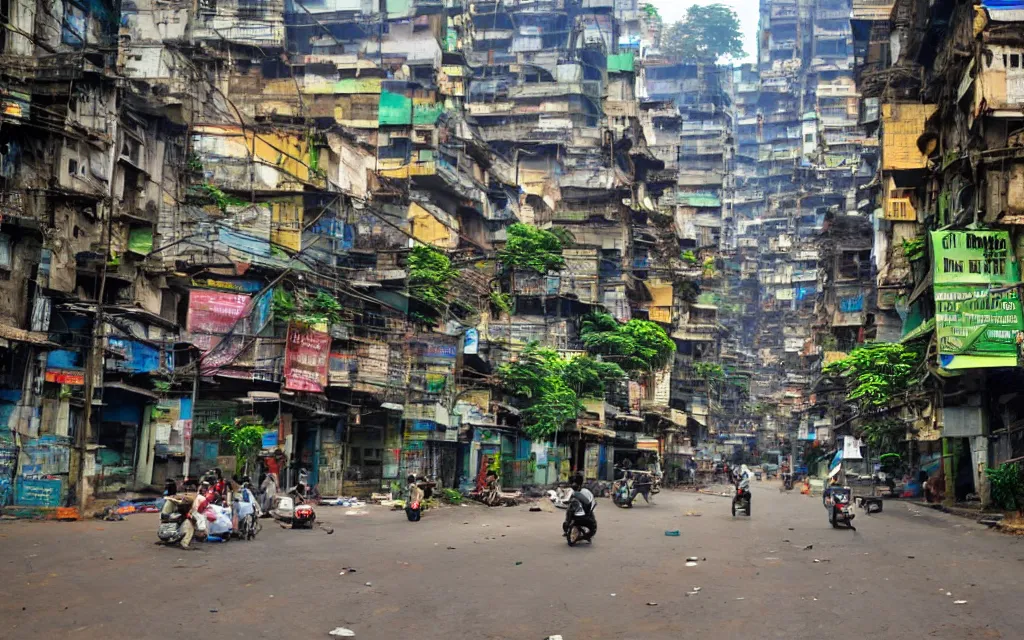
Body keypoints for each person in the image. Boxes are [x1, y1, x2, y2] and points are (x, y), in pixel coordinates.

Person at [563, 473, 597, 541]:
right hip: (580, 515)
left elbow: (591, 504)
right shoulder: (572, 492)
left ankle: (586, 535)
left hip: (585, 515)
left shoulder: (585, 492)